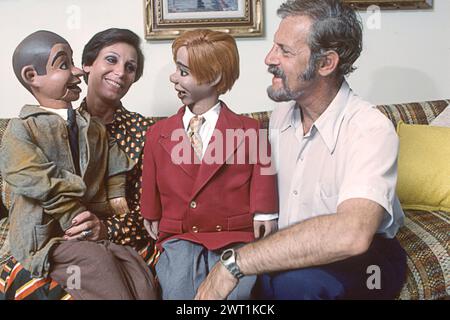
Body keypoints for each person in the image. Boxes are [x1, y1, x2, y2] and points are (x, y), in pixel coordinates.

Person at [195, 0, 406, 300]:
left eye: (285, 51)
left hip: (361, 256)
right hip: (292, 248)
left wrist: (234, 264)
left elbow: (352, 234)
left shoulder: (370, 129)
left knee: (293, 288)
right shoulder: (281, 115)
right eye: (274, 46)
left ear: (325, 64)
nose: (269, 58)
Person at [0, 28, 158, 300]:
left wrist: (106, 224)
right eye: (111, 60)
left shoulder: (145, 131)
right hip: (48, 236)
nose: (120, 72)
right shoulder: (26, 127)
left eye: (130, 67)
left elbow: (147, 210)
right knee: (95, 268)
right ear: (87, 66)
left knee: (137, 275)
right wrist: (75, 216)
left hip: (116, 234)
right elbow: (28, 181)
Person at [140, 29, 279, 300]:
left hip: (233, 234)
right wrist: (151, 211)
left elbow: (263, 170)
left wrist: (265, 212)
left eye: (183, 71)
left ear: (213, 77)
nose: (173, 77)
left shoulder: (250, 129)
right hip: (180, 234)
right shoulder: (158, 132)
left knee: (237, 295)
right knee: (178, 290)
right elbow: (152, 177)